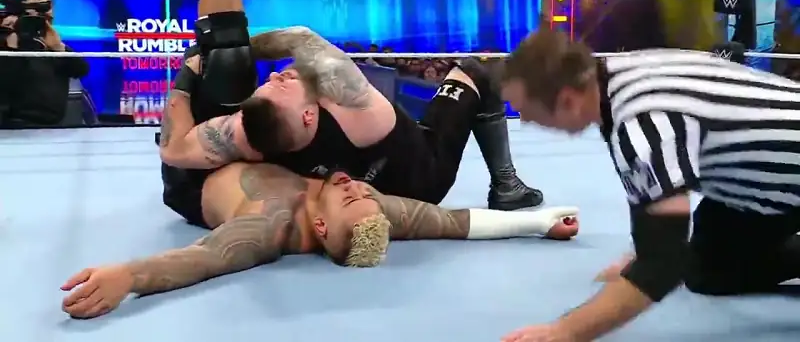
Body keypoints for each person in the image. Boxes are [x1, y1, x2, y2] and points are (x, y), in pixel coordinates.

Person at [157, 0, 541, 211]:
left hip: (348, 187)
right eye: (280, 84)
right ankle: (506, 185)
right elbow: (301, 38)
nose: (275, 75)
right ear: (309, 114)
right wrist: (242, 51)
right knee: (478, 69)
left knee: (225, 59)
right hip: (424, 181)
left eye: (272, 81)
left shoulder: (250, 131)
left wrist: (196, 68)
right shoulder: (345, 95)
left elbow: (174, 150)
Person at [498, 28, 800, 342]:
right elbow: (656, 193)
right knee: (707, 270)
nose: (527, 122)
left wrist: (565, 332)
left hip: (787, 174)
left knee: (683, 261)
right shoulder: (618, 73)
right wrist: (644, 251)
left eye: (527, 112)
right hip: (752, 173)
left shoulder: (642, 123)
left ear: (567, 101)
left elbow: (662, 265)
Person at [60, 160, 580, 319]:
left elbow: (205, 258)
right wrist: (539, 222)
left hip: (191, 176)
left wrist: (128, 275)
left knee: (220, 64)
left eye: (352, 197)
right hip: (268, 156)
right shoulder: (369, 210)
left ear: (324, 228)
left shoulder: (269, 224)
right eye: (364, 194)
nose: (357, 188)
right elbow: (454, 222)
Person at [0, 0, 89, 126]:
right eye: (35, 6)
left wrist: (59, 48)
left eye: (46, 7)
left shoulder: (54, 43)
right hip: (15, 124)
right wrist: (12, 44)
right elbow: (7, 80)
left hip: (53, 126)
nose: (42, 13)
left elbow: (81, 70)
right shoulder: (9, 41)